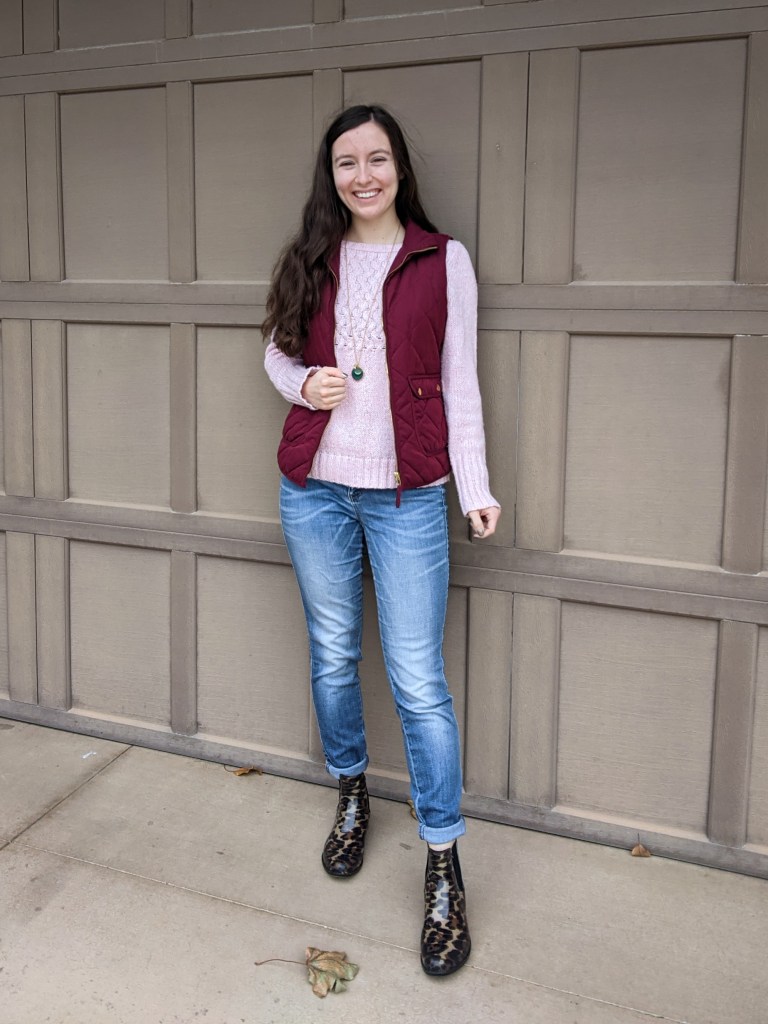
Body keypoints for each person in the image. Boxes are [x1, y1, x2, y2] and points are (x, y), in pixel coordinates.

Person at [262, 104, 500, 977]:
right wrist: (305, 384)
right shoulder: (312, 259)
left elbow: (459, 383)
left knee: (417, 680)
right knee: (332, 655)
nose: (363, 175)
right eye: (346, 163)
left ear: (400, 166)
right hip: (316, 490)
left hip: (407, 500)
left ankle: (443, 859)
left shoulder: (443, 261)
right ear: (332, 176)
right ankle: (353, 792)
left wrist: (474, 489)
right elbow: (275, 355)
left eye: (377, 159)